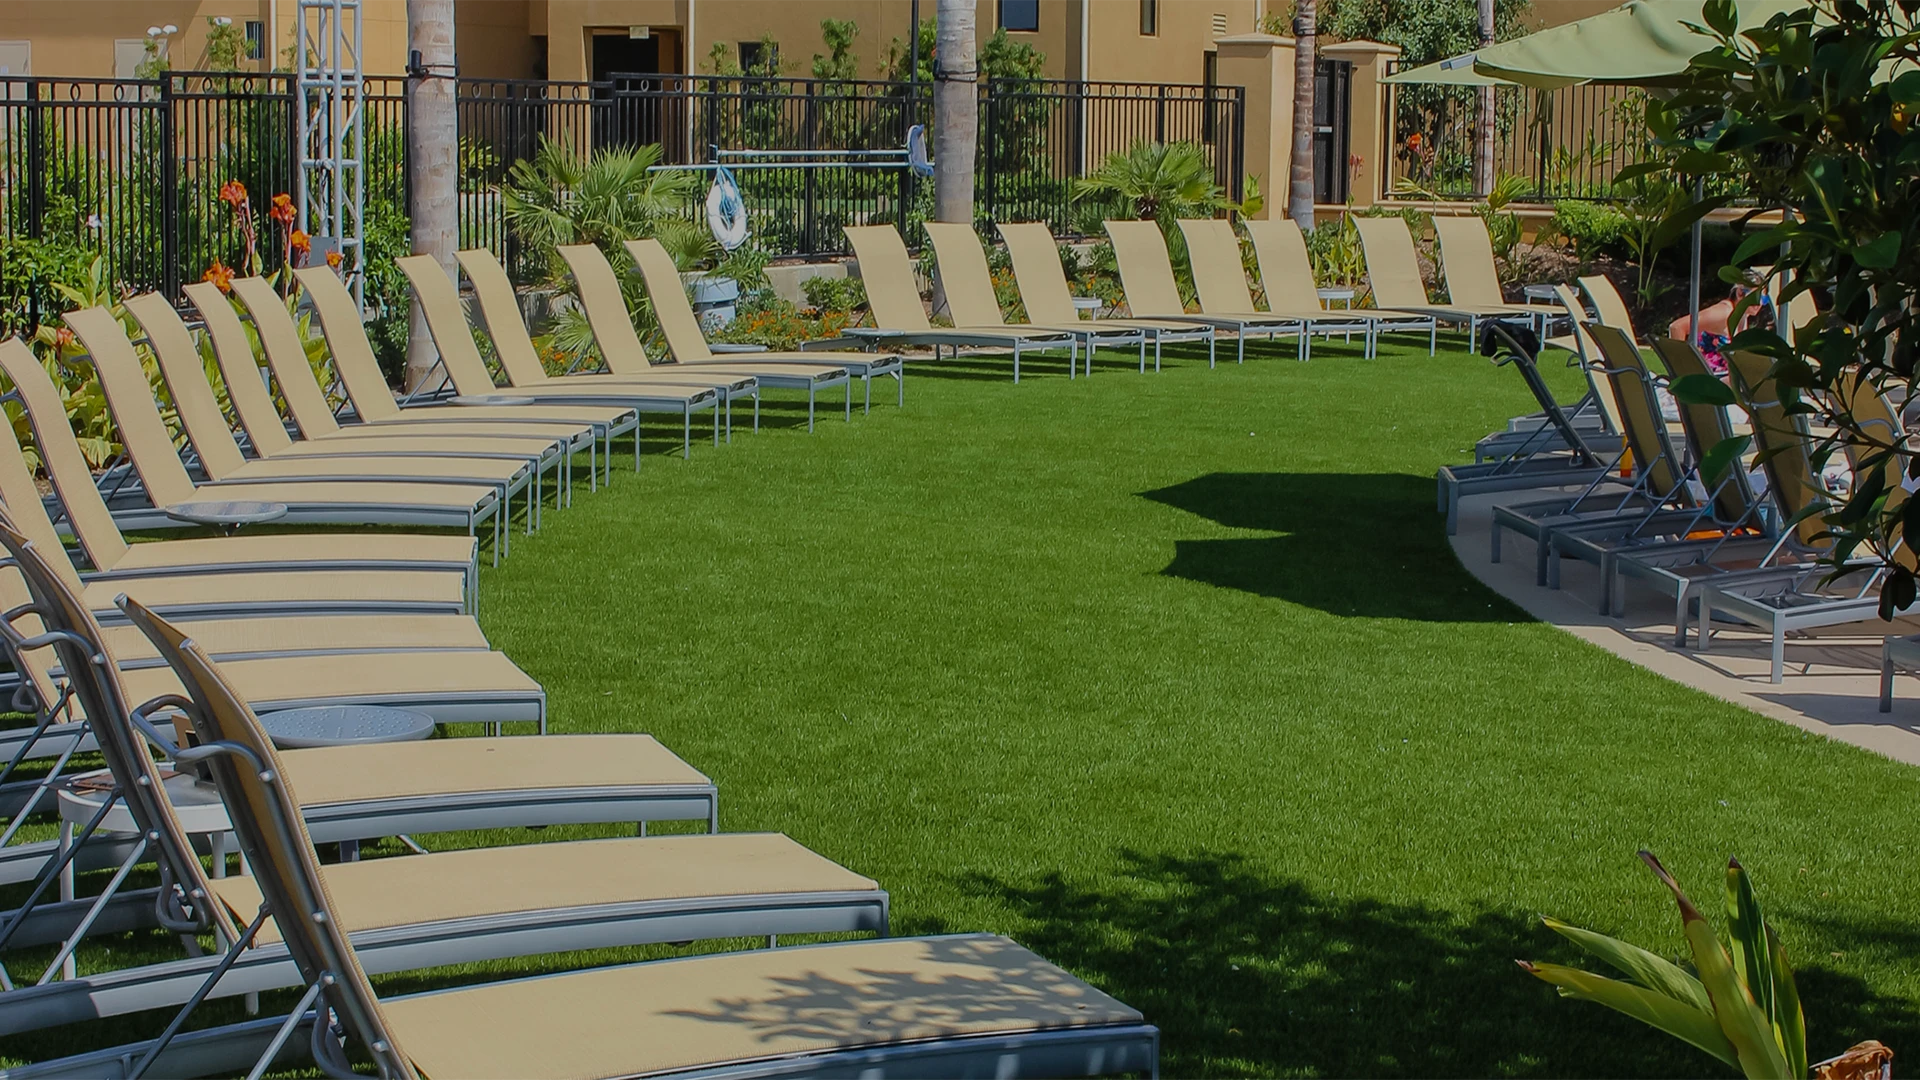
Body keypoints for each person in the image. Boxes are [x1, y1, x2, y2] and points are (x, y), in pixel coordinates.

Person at [1668, 272, 1774, 373]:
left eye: (1764, 299)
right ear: (1740, 293)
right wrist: (1680, 370)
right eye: (1756, 297)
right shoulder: (1724, 312)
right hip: (1706, 380)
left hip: (1722, 380)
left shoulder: (1742, 315)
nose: (1760, 303)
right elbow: (1677, 327)